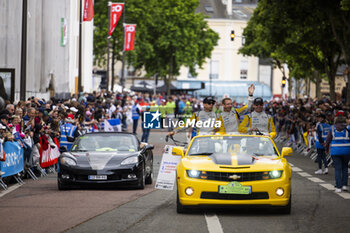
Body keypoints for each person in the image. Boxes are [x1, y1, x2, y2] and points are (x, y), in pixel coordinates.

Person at [324, 115, 350, 193]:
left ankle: (338, 187)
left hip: (335, 151)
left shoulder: (332, 128)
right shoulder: (348, 128)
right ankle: (344, 185)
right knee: (345, 168)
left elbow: (328, 140)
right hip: (347, 151)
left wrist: (326, 149)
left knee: (338, 169)